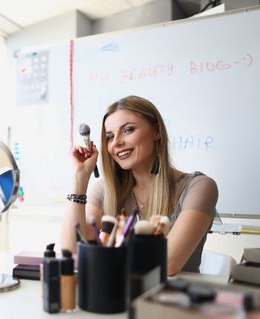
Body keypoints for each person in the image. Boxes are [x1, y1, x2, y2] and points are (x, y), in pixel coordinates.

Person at [60, 95, 218, 275]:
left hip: (173, 300)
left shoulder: (199, 188)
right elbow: (70, 251)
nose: (117, 143)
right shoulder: (105, 190)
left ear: (157, 132)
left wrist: (99, 256)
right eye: (110, 137)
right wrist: (80, 179)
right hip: (116, 298)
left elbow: (167, 264)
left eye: (128, 130)